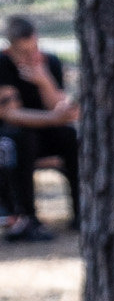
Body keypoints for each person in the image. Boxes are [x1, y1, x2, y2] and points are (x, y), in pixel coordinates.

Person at [0, 14, 80, 242]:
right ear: (10, 46)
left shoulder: (49, 62)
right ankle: (28, 219)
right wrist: (54, 118)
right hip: (10, 137)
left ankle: (81, 212)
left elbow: (60, 108)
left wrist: (44, 80)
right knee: (22, 139)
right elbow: (10, 114)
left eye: (32, 49)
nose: (29, 56)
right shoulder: (3, 65)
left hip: (44, 132)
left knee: (70, 137)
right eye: (22, 52)